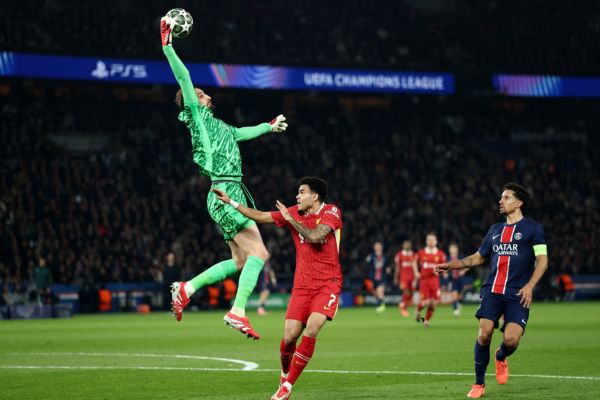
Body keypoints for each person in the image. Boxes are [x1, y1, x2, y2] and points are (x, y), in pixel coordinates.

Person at [160, 16, 288, 340]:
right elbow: (184, 77)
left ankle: (187, 287)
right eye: (200, 95)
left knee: (241, 259)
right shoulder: (197, 118)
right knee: (260, 254)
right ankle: (237, 311)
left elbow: (243, 132)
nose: (203, 96)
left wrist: (269, 126)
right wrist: (167, 46)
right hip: (224, 191)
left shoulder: (223, 128)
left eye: (202, 94)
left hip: (230, 192)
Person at [212, 176, 342, 400]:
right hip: (302, 286)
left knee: (311, 329)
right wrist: (231, 202)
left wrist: (289, 219)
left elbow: (314, 236)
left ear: (315, 196)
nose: (297, 196)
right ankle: (284, 374)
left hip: (328, 284)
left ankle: (287, 386)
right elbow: (261, 216)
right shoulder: (295, 212)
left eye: (302, 192)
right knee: (289, 337)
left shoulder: (331, 212)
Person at [435, 183, 548, 398]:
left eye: (506, 198)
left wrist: (530, 286)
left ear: (519, 202)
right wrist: (451, 265)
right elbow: (478, 258)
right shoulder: (495, 230)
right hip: (492, 290)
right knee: (484, 332)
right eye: (501, 198)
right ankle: (479, 384)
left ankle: (501, 356)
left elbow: (542, 262)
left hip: (517, 293)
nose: (500, 201)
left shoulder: (533, 228)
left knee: (511, 340)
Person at [415, 233, 446, 327]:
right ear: (426, 241)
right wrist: (416, 272)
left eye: (433, 239)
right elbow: (413, 262)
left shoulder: (440, 254)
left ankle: (426, 320)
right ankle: (417, 310)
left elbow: (444, 268)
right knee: (426, 302)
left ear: (436, 241)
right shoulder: (421, 252)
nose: (431, 241)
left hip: (435, 281)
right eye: (429, 239)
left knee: (432, 304)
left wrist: (440, 273)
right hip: (424, 281)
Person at [394, 240, 419, 317]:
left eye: (408, 244)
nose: (407, 246)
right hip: (404, 278)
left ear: (410, 246)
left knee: (411, 295)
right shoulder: (399, 255)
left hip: (412, 278)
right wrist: (395, 277)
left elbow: (416, 267)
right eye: (405, 244)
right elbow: (397, 267)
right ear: (403, 246)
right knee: (406, 292)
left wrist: (416, 277)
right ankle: (403, 308)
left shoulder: (414, 255)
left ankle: (403, 305)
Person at [366, 242, 389, 314]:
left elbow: (387, 265)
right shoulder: (371, 256)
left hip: (382, 277)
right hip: (373, 277)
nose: (378, 247)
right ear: (374, 248)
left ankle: (382, 306)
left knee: (380, 291)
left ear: (381, 247)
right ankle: (379, 304)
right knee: (375, 293)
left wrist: (388, 269)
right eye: (376, 246)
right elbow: (367, 264)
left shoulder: (385, 256)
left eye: (379, 246)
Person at [446, 242, 466, 317]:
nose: (453, 250)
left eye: (454, 249)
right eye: (451, 249)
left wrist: (463, 271)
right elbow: (443, 267)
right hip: (452, 279)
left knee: (460, 296)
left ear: (457, 250)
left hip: (460, 279)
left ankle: (459, 304)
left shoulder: (461, 258)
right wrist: (445, 274)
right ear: (449, 250)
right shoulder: (447, 259)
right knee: (454, 295)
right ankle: (456, 310)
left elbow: (469, 265)